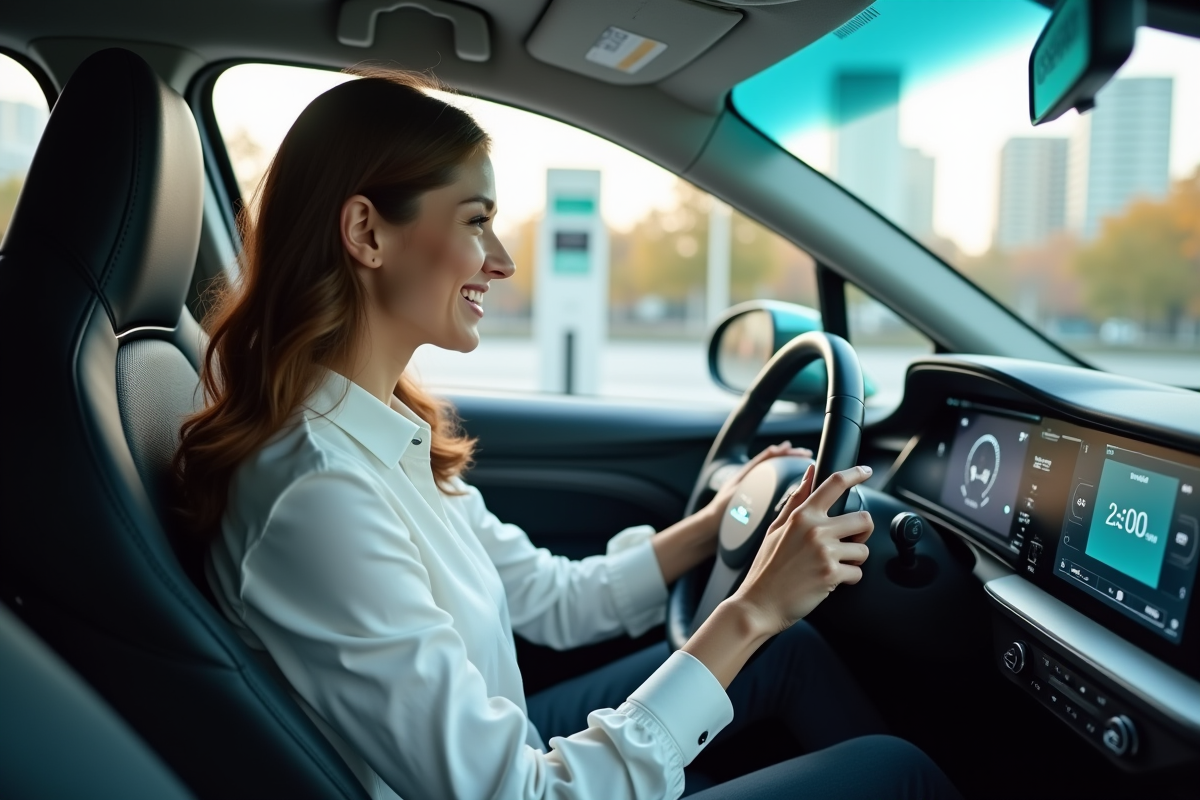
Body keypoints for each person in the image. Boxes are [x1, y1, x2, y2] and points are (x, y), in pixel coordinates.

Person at [175, 70, 960, 800]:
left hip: (512, 743)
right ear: (366, 233)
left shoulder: (380, 436)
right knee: (895, 771)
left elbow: (551, 598)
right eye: (477, 222)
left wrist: (717, 529)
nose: (504, 260)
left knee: (785, 655)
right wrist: (751, 608)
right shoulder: (320, 496)